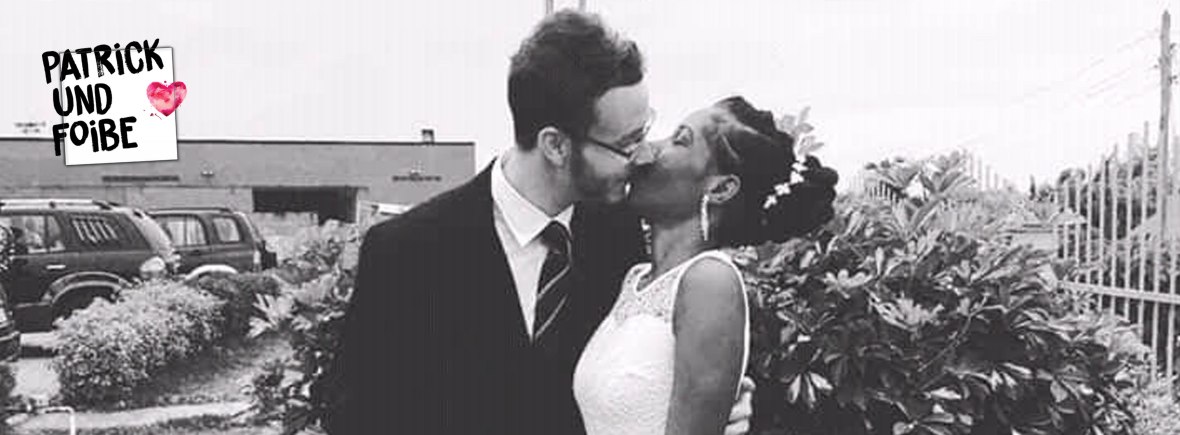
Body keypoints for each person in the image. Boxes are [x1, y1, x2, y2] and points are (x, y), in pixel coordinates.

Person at [331, 11, 755, 435]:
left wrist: (717, 405)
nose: (644, 156)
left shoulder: (618, 235)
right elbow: (358, 419)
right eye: (627, 144)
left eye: (643, 133)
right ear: (555, 146)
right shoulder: (405, 251)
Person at [573, 96, 838, 434]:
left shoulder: (710, 281)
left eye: (679, 140)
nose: (648, 150)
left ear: (721, 188)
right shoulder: (635, 279)